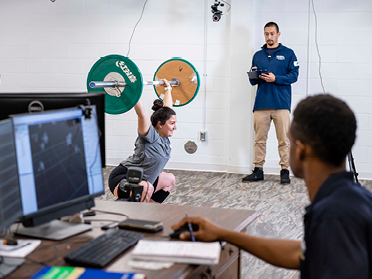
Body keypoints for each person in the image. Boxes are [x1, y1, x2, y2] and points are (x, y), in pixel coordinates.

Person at [173, 94, 372, 278]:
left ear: (301, 150)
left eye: (291, 142)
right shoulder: (353, 197)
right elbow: (303, 254)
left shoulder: (335, 215)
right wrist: (224, 234)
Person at [243, 21, 299, 184]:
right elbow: (253, 83)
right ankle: (258, 170)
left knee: (284, 140)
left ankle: (284, 171)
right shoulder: (258, 55)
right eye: (266, 34)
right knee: (259, 140)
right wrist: (253, 75)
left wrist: (276, 78)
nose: (269, 37)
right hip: (261, 104)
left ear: (278, 34)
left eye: (272, 33)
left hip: (281, 105)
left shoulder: (288, 53)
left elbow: (294, 76)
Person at [108, 79, 176, 203]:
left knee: (169, 179)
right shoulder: (149, 135)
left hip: (144, 180)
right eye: (172, 123)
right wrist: (131, 90)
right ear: (160, 124)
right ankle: (124, 210)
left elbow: (168, 110)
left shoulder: (164, 138)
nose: (175, 127)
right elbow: (141, 114)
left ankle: (151, 212)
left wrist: (168, 89)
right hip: (123, 178)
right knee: (145, 187)